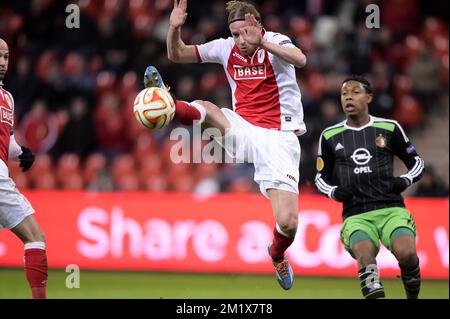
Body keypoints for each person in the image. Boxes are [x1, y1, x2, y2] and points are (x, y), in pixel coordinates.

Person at [145, 0, 307, 290]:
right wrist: (173, 28)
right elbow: (177, 54)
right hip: (242, 129)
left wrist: (263, 44)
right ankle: (169, 106)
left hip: (280, 138)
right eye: (235, 34)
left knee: (289, 223)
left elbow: (300, 59)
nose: (241, 40)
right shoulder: (224, 48)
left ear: (258, 25)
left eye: (246, 32)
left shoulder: (276, 41)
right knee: (208, 108)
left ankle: (277, 254)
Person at [314, 76, 424, 299]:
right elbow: (319, 178)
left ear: (369, 97)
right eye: (344, 93)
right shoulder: (330, 135)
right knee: (365, 259)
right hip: (356, 216)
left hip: (391, 209)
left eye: (355, 92)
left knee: (408, 254)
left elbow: (417, 163)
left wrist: (404, 180)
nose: (348, 97)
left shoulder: (389, 128)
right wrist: (335, 192)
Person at [0, 38, 47, 299]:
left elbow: (7, 137)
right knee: (35, 236)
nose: (2, 62)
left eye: (6, 57)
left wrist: (21, 153)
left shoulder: (7, 98)